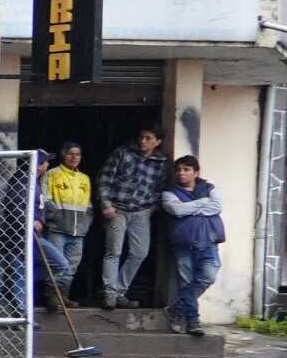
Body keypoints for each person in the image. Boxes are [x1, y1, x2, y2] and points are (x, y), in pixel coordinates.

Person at [95, 126, 167, 308]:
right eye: (141, 137)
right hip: (117, 209)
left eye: (148, 138)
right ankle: (109, 293)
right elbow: (104, 179)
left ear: (157, 142)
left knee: (140, 252)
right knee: (114, 251)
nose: (143, 141)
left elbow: (160, 189)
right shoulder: (123, 153)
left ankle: (120, 290)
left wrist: (151, 208)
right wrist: (106, 204)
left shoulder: (161, 162)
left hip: (141, 211)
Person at [158, 155, 226, 337]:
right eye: (179, 170)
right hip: (184, 244)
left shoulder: (208, 188)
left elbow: (217, 207)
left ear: (196, 172)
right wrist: (203, 204)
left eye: (186, 170)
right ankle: (193, 321)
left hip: (208, 242)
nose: (181, 173)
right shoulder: (169, 193)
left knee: (208, 277)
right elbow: (176, 210)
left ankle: (175, 310)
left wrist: (190, 207)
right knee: (187, 282)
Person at [36, 143, 91, 310]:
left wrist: (86, 223)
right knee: (57, 265)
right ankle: (51, 297)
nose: (74, 157)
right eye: (70, 154)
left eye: (78, 154)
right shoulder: (53, 174)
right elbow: (45, 199)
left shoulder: (84, 178)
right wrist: (56, 218)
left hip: (78, 230)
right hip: (57, 229)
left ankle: (62, 296)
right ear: (63, 155)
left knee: (71, 266)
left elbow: (88, 205)